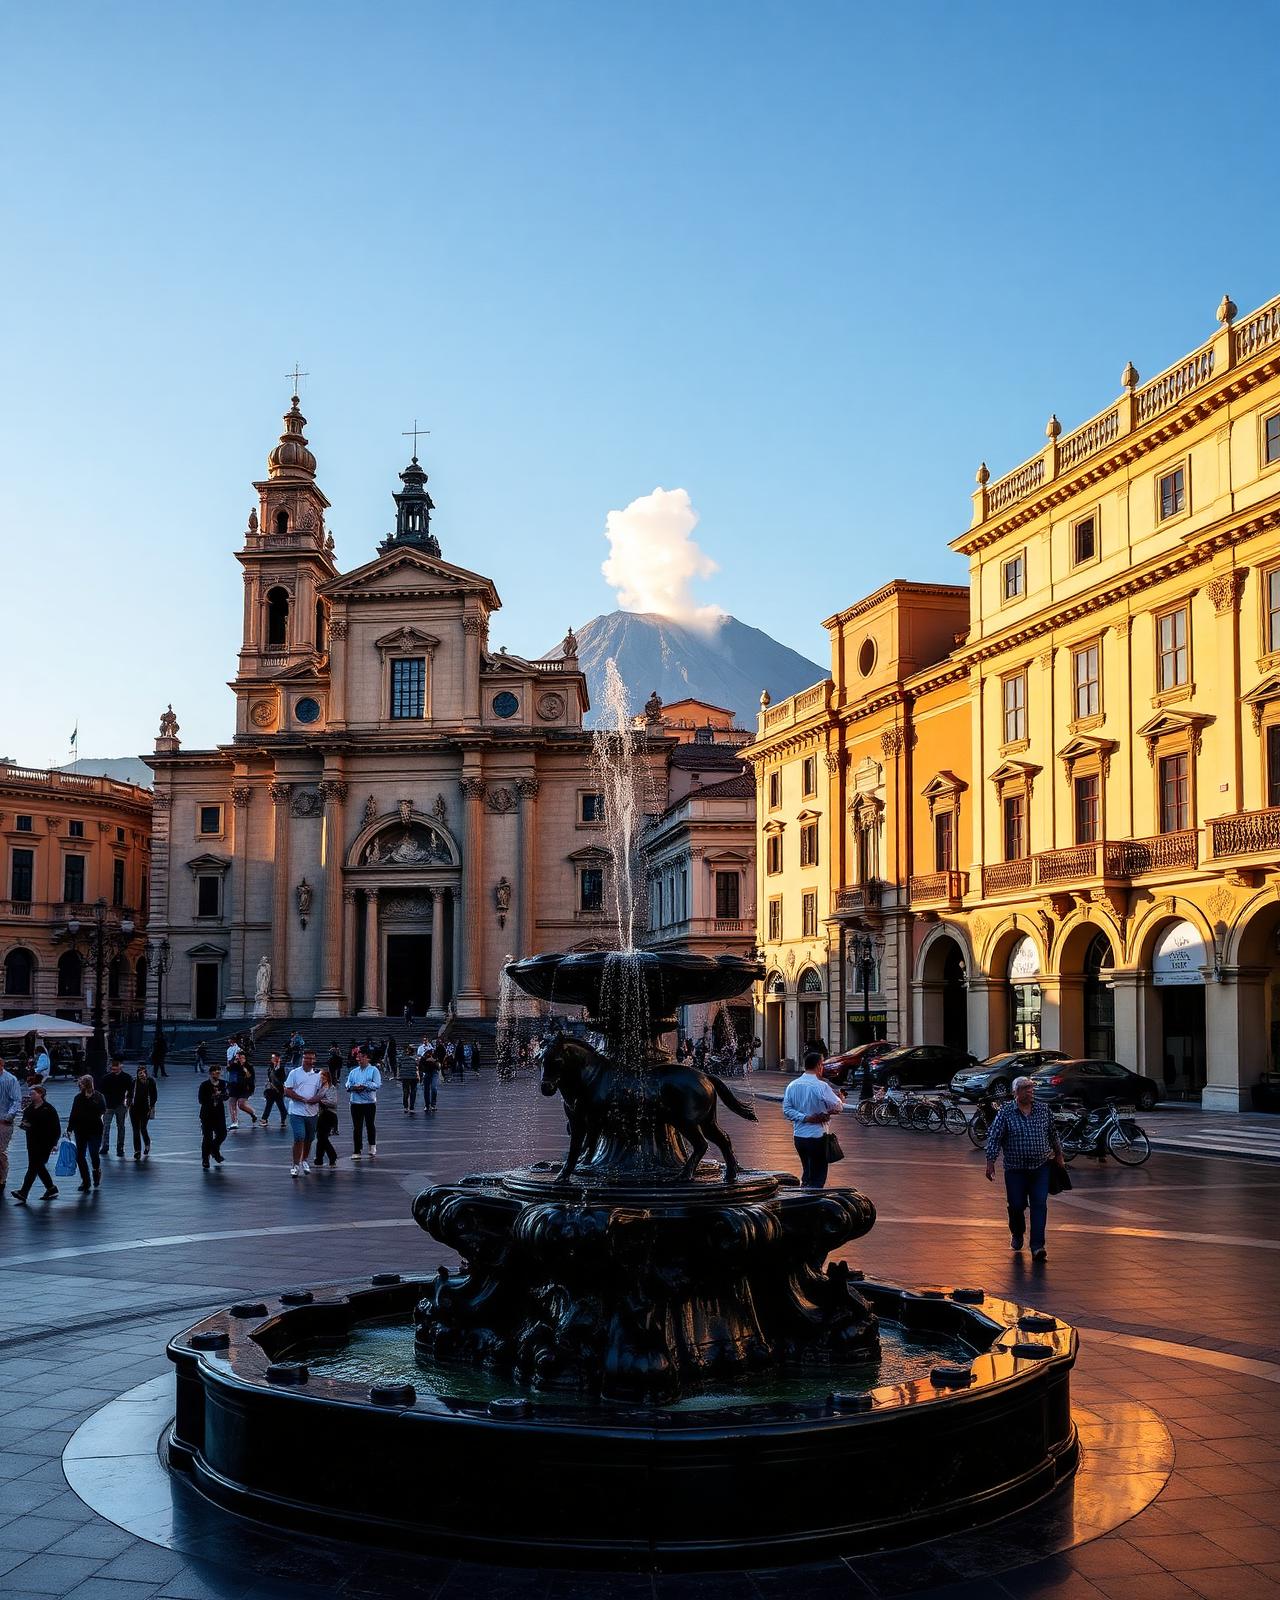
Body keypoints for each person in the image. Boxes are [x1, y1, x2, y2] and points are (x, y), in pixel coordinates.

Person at [984, 1076, 1066, 1263]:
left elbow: (1053, 1134)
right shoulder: (1006, 1112)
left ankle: (1038, 1246)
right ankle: (1018, 1233)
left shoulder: (1043, 1110)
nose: (1030, 1091)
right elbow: (995, 1137)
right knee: (1016, 1205)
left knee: (1039, 1204)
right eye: (1025, 1088)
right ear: (1016, 1092)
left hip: (1040, 1167)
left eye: (1031, 1088)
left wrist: (1059, 1155)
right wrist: (990, 1162)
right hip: (1015, 1169)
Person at [781, 1049, 844, 1190]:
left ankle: (803, 1199)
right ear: (818, 1065)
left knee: (807, 1174)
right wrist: (840, 1099)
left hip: (799, 1136)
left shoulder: (792, 1085)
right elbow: (838, 1106)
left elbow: (787, 1110)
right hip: (817, 1136)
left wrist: (805, 1118)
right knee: (817, 1177)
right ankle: (812, 1205)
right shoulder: (821, 1086)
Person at [10, 1083, 60, 1203]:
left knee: (34, 1166)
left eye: (33, 1093)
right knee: (38, 1166)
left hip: (45, 1142)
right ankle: (51, 1188)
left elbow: (56, 1127)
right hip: (32, 1142)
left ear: (41, 1094)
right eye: (30, 1093)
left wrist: (54, 1143)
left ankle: (24, 1192)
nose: (30, 1095)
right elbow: (24, 1123)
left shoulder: (49, 1109)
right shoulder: (29, 1109)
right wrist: (25, 1125)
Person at [284, 1048, 322, 1176]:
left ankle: (304, 1159)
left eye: (311, 1058)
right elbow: (287, 1090)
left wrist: (316, 1099)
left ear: (315, 1060)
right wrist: (301, 1099)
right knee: (299, 1136)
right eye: (306, 1058)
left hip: (312, 1113)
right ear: (302, 1059)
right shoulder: (294, 1073)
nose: (308, 1061)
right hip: (296, 1112)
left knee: (310, 1138)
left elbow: (323, 1091)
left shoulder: (319, 1075)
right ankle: (295, 1164)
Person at [68, 1074, 106, 1191]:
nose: (80, 1086)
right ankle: (85, 1180)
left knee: (94, 1153)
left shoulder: (99, 1096)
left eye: (82, 1084)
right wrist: (69, 1129)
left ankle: (96, 1171)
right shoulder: (78, 1098)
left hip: (95, 1129)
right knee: (80, 1156)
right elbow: (73, 1113)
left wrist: (91, 1101)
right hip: (80, 1129)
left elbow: (102, 1110)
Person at [345, 1047, 381, 1159]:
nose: (359, 1060)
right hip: (355, 1102)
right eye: (358, 1058)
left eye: (361, 1057)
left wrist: (365, 1086)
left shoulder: (374, 1070)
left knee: (370, 1124)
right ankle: (357, 1149)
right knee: (357, 1127)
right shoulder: (353, 1071)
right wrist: (352, 1087)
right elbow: (347, 1084)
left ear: (367, 1058)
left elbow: (377, 1084)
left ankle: (372, 1145)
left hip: (369, 1102)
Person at [99, 1057, 134, 1158]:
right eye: (113, 1069)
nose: (113, 1071)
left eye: (115, 1069)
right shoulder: (125, 1077)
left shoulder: (108, 1078)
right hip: (112, 1105)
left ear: (120, 1067)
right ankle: (109, 1147)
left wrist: (128, 1103)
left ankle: (116, 1147)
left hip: (116, 1105)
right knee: (111, 1127)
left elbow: (131, 1092)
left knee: (117, 1127)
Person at [198, 1064, 228, 1170]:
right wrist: (212, 1096)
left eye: (219, 1071)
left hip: (219, 1114)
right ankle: (205, 1159)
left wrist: (223, 1095)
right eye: (216, 1071)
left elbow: (226, 1096)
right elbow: (201, 1100)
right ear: (211, 1073)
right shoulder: (204, 1085)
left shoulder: (223, 1083)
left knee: (222, 1134)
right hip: (207, 1114)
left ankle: (214, 1149)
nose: (218, 1073)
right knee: (207, 1137)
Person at [0, 1055, 22, 1195]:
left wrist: (8, 1117)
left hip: (3, 1121)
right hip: (3, 1119)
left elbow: (16, 1101)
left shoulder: (10, 1080)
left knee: (0, 1150)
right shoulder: (9, 1079)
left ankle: (2, 1178)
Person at [130, 1063, 158, 1159]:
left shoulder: (150, 1082)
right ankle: (137, 1150)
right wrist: (128, 1103)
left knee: (143, 1128)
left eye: (143, 1073)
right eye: (139, 1073)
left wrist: (151, 1106)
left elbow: (154, 1095)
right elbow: (129, 1094)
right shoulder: (134, 1082)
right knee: (135, 1130)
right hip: (134, 1109)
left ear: (146, 1073)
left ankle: (147, 1144)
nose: (141, 1074)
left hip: (145, 1109)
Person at [315, 1068, 340, 1167]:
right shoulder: (319, 1087)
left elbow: (333, 1102)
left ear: (327, 1077)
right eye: (320, 1076)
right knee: (320, 1137)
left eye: (323, 1076)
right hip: (320, 1114)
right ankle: (319, 1159)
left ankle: (332, 1156)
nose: (321, 1078)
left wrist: (320, 1100)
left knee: (322, 1137)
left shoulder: (331, 1088)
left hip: (329, 1114)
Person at [261, 1053, 288, 1126]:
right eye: (272, 1057)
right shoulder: (270, 1067)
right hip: (271, 1090)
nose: (272, 1059)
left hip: (278, 1090)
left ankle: (283, 1118)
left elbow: (283, 1079)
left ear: (278, 1059)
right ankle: (264, 1119)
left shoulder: (282, 1068)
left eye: (274, 1058)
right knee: (269, 1104)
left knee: (280, 1105)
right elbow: (269, 1078)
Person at [233, 1056, 258, 1129]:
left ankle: (253, 1113)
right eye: (239, 1058)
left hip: (246, 1088)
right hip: (237, 1087)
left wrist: (250, 1086)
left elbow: (251, 1077)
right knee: (240, 1106)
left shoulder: (249, 1066)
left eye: (242, 1058)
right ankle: (252, 1114)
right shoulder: (236, 1065)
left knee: (241, 1103)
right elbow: (229, 1069)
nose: (241, 1059)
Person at [399, 1043, 421, 1113]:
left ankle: (406, 1107)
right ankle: (411, 1107)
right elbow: (418, 1067)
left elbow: (399, 1066)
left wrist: (399, 1075)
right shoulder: (416, 1058)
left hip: (406, 1076)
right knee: (412, 1092)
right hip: (412, 1076)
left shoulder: (402, 1057)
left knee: (406, 1092)